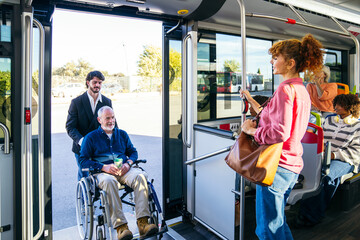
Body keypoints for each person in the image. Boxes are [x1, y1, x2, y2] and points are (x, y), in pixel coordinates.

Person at [240, 34, 324, 240]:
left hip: (276, 165)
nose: (272, 61)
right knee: (278, 223)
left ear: (290, 63)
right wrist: (251, 100)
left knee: (267, 229)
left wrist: (251, 131)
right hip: (291, 165)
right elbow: (280, 120)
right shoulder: (301, 89)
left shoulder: (285, 89)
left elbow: (279, 132)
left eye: (276, 57)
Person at [79, 106, 158, 240]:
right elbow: (83, 161)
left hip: (123, 170)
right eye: (107, 118)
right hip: (102, 173)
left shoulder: (122, 134)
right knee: (110, 182)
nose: (111, 121)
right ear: (99, 120)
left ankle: (143, 223)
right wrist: (103, 167)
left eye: (113, 117)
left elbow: (133, 152)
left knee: (140, 176)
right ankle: (121, 228)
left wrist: (128, 164)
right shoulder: (90, 138)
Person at [296, 94, 360, 227]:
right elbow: (321, 138)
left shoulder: (357, 126)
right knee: (305, 172)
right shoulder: (329, 121)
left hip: (344, 159)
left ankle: (312, 215)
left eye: (340, 105)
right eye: (335, 104)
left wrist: (334, 155)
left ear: (350, 107)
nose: (335, 107)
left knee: (327, 176)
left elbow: (356, 152)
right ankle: (305, 210)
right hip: (323, 155)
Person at [66, 70, 114, 180]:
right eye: (95, 82)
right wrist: (82, 141)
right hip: (82, 148)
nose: (97, 85)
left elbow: (112, 125)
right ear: (88, 82)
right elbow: (70, 127)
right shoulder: (76, 102)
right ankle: (82, 197)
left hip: (101, 148)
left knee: (103, 178)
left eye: (100, 83)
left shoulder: (107, 102)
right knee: (85, 178)